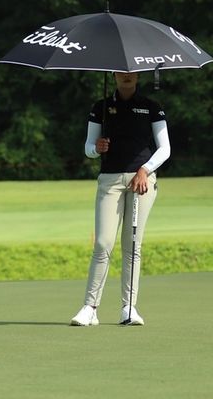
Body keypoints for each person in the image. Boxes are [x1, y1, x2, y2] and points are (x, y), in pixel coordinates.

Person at [70, 71, 170, 327]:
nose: (127, 76)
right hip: (110, 181)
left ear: (137, 76)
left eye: (132, 73)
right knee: (103, 244)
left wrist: (144, 171)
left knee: (132, 245)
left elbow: (165, 149)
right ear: (114, 74)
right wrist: (97, 148)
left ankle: (129, 308)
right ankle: (90, 308)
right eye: (122, 72)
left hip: (142, 182)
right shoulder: (101, 107)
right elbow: (88, 148)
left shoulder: (151, 107)